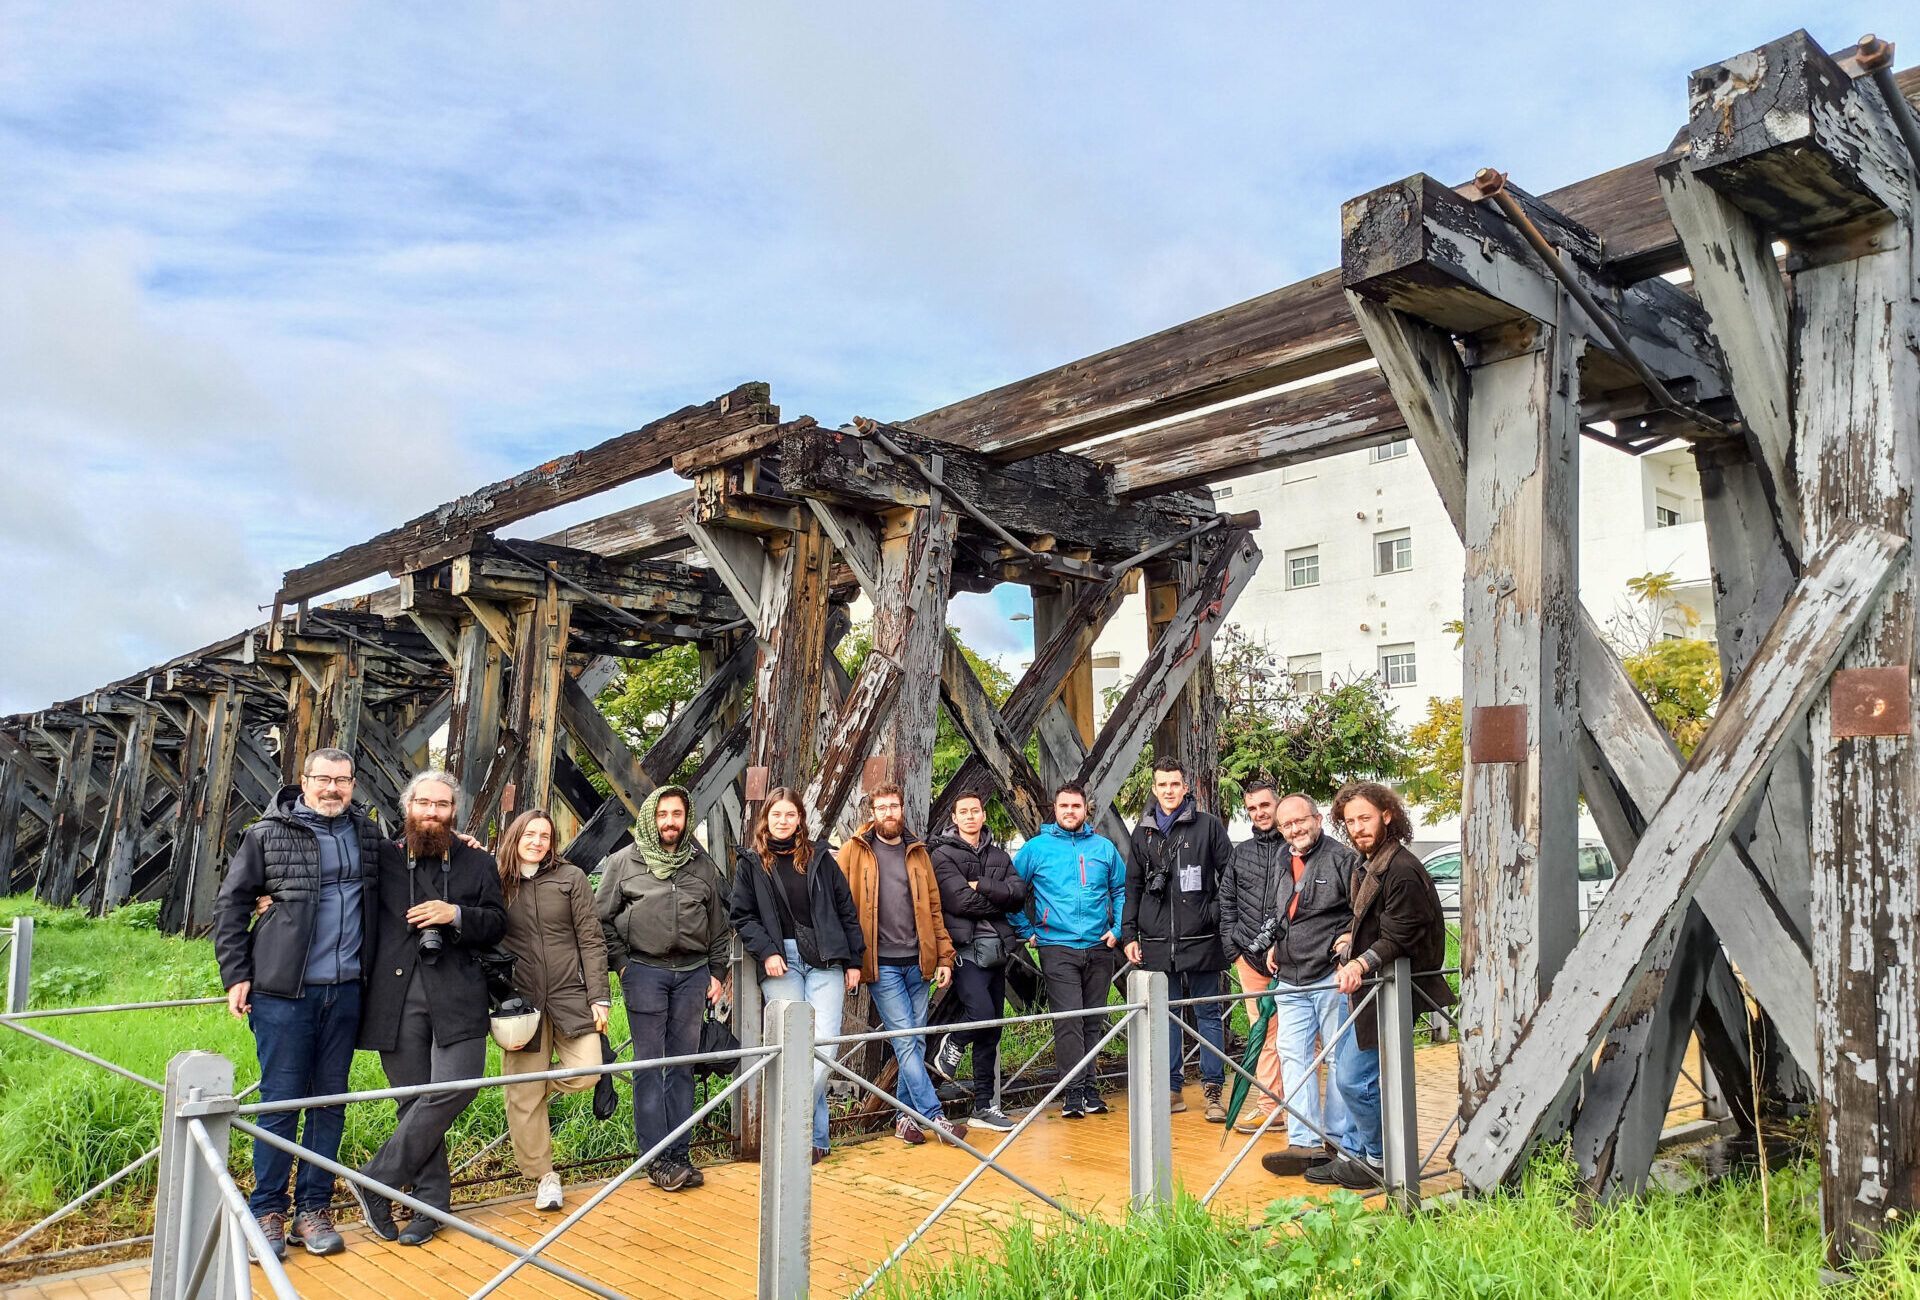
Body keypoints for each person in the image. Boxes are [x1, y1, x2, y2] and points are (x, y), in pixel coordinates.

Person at [214, 747, 387, 1260]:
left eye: (344, 780)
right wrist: (236, 974)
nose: (334, 788)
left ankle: (312, 1210)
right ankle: (266, 1210)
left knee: (329, 1103)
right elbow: (231, 904)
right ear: (304, 781)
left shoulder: (368, 835)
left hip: (347, 990)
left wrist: (458, 845)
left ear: (354, 785)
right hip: (284, 993)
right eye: (324, 779)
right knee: (282, 1104)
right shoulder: (266, 834)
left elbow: (410, 864)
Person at [348, 770, 507, 1246]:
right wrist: (269, 897)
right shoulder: (383, 857)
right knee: (413, 1105)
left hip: (457, 996)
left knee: (457, 1086)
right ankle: (428, 1206)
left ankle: (374, 1180)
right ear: (407, 808)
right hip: (394, 1000)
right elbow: (330, 840)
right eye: (423, 804)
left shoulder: (477, 862)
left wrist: (453, 914)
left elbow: (498, 922)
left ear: (454, 811)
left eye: (441, 805)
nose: (432, 813)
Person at [594, 785, 730, 1192]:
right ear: (651, 818)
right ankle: (655, 1158)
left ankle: (679, 1152)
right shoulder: (624, 862)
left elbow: (719, 925)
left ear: (686, 819)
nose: (671, 822)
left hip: (692, 975)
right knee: (650, 1067)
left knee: (683, 1066)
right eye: (663, 814)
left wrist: (717, 971)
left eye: (678, 814)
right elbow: (600, 920)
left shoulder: (699, 864)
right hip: (644, 973)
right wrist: (622, 966)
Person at [1319, 780, 1452, 1190]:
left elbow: (1401, 934)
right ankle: (1356, 1156)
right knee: (1347, 1071)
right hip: (1367, 986)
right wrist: (1349, 936)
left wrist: (1360, 960)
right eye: (1350, 821)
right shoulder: (1372, 861)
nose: (1358, 827)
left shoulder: (1402, 869)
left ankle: (1378, 1159)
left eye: (1365, 818)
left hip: (1387, 990)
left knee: (1354, 1080)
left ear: (1387, 816)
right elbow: (1371, 922)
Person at [1224, 787, 1357, 1177]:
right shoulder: (1285, 857)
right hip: (1289, 973)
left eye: (1300, 820)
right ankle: (1305, 1141)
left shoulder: (1342, 859)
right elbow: (1285, 909)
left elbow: (1362, 910)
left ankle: (1336, 1138)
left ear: (1317, 819)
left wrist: (1349, 937)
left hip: (1328, 974)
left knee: (1335, 1057)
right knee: (1292, 1054)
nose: (1294, 828)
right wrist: (1275, 944)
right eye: (1287, 824)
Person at [729, 786, 865, 1164]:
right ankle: (814, 1138)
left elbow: (846, 909)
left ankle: (790, 1127)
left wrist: (855, 961)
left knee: (823, 1046)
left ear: (800, 819)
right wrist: (768, 951)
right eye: (777, 815)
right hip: (781, 961)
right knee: (793, 1050)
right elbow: (741, 915)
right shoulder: (752, 862)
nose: (783, 821)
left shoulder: (821, 858)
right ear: (766, 819)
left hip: (825, 959)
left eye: (790, 815)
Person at [838, 783, 966, 1146]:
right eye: (882, 808)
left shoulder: (917, 852)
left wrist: (944, 956)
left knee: (913, 1042)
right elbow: (839, 903)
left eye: (894, 807)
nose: (889, 813)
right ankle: (935, 1115)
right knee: (907, 1042)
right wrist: (847, 958)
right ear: (872, 813)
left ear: (902, 809)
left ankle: (903, 1120)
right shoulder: (855, 851)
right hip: (882, 966)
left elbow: (934, 907)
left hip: (919, 963)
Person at [494, 809, 609, 1212]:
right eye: (530, 834)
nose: (538, 842)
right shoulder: (497, 880)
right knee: (523, 1092)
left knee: (589, 1071)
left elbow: (592, 940)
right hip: (518, 1003)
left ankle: (529, 1091)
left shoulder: (570, 879)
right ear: (516, 836)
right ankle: (546, 1177)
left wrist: (600, 995)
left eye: (545, 836)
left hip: (569, 995)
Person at [1123, 755, 1235, 1120]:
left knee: (1208, 1014)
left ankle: (1213, 1089)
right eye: (1162, 785)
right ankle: (1172, 1088)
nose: (1169, 790)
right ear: (1154, 789)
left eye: (1175, 784)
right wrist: (1130, 934)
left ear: (1186, 787)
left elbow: (1229, 877)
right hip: (1157, 941)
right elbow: (1134, 886)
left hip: (1202, 937)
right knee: (1166, 1016)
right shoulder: (1143, 832)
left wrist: (1213, 914)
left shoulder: (1208, 826)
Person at [1011, 782, 1127, 1119]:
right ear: (1055, 809)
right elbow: (1013, 893)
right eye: (1064, 806)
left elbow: (1119, 889)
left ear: (1085, 810)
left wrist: (1117, 929)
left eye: (1076, 806)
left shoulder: (1103, 848)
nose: (1070, 812)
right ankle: (1072, 1091)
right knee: (1068, 1022)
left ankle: (1091, 1088)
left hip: (1098, 946)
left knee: (1093, 1020)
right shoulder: (1036, 849)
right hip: (1056, 946)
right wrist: (1026, 930)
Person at [928, 791, 1029, 1132]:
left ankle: (984, 1106)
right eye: (963, 812)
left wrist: (982, 884)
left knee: (993, 1030)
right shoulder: (943, 855)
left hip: (998, 951)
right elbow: (960, 902)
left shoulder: (999, 855)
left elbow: (1020, 894)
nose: (970, 816)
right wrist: (997, 897)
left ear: (983, 815)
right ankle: (954, 1042)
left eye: (976, 810)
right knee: (982, 1016)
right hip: (965, 950)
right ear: (954, 819)